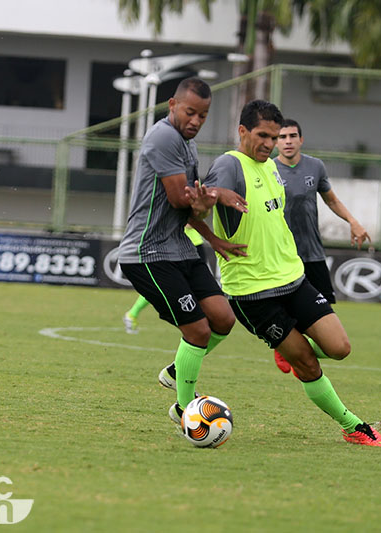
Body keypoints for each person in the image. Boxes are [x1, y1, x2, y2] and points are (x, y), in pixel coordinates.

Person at [163, 99, 381, 446]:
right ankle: (354, 427)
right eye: (262, 136)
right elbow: (199, 204)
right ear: (243, 132)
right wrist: (213, 227)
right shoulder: (230, 165)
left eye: (274, 137)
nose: (269, 144)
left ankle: (287, 346)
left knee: (340, 348)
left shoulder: (270, 166)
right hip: (253, 294)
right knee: (309, 366)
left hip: (294, 279)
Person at [118, 77, 247, 426]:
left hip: (178, 248)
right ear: (172, 105)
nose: (196, 121)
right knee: (198, 332)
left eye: (203, 116)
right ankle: (185, 411)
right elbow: (180, 199)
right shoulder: (163, 138)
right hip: (147, 255)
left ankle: (177, 370)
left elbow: (192, 207)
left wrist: (214, 239)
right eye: (190, 112)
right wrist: (217, 195)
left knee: (223, 319)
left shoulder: (187, 144)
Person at [272, 118, 371, 374]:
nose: (288, 141)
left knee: (322, 315)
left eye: (292, 135)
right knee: (290, 312)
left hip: (313, 254)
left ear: (301, 140)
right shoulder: (268, 170)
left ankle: (296, 354)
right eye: (282, 137)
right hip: (282, 256)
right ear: (275, 142)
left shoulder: (315, 167)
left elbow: (331, 200)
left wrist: (353, 222)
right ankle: (287, 349)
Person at [123, 225, 207, 335]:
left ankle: (132, 314)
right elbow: (189, 223)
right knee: (165, 285)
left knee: (174, 286)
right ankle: (132, 314)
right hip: (186, 245)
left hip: (193, 243)